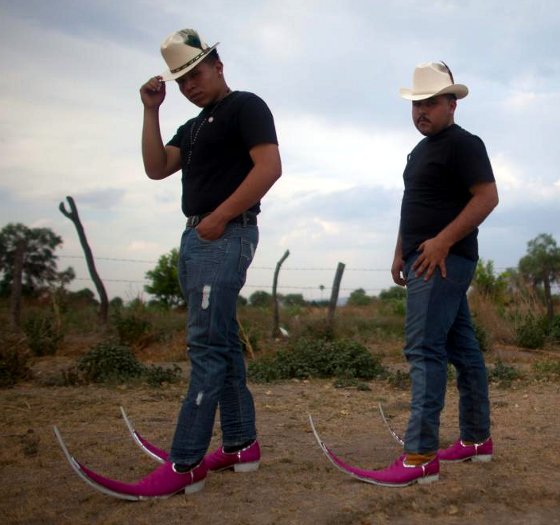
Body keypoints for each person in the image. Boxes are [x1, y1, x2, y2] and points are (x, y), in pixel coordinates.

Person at [85, 28, 281, 499]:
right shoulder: (193, 127)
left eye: (196, 73)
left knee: (206, 349)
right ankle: (239, 444)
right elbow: (156, 167)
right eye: (182, 81)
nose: (190, 85)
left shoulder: (245, 106)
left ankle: (186, 461)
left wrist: (219, 218)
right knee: (224, 343)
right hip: (197, 236)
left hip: (226, 233)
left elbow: (269, 167)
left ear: (218, 65)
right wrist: (151, 109)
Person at [371, 62, 499, 487]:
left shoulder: (464, 144)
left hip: (443, 260)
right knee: (463, 352)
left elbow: (487, 197)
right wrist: (399, 251)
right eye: (416, 103)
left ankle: (420, 455)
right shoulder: (419, 151)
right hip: (422, 258)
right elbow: (415, 204)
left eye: (430, 102)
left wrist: (442, 241)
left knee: (424, 350)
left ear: (452, 103)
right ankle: (477, 439)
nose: (421, 111)